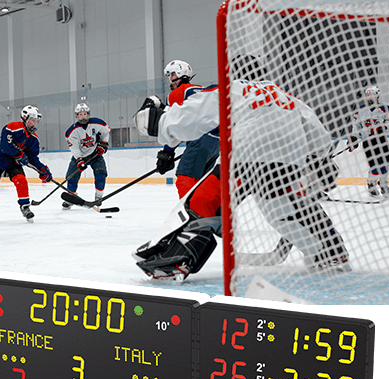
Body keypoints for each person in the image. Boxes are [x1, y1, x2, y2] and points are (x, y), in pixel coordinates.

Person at [131, 55, 347, 280]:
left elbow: (197, 113)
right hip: (288, 157)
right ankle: (329, 250)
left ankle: (179, 259)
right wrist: (323, 160)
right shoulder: (284, 95)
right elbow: (316, 129)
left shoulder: (235, 88)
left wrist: (160, 123)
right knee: (282, 207)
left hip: (248, 154)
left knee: (205, 199)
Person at [0, 105, 53, 223]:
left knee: (21, 180)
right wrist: (19, 156)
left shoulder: (34, 138)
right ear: (24, 118)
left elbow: (33, 158)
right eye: (32, 120)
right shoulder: (12, 127)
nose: (34, 123)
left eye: (36, 121)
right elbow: (5, 147)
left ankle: (25, 206)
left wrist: (42, 169)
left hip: (13, 162)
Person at [156, 60, 221, 199]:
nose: (170, 80)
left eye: (171, 76)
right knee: (203, 182)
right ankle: (207, 214)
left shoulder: (178, 93)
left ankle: (191, 214)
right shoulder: (203, 89)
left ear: (179, 74)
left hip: (200, 140)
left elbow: (175, 125)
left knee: (185, 178)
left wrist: (167, 152)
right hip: (217, 142)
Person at [348, 85, 389, 198]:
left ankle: (384, 186)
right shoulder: (361, 111)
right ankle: (371, 185)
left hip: (381, 140)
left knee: (384, 163)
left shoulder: (385, 108)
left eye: (372, 94)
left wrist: (382, 127)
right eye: (368, 94)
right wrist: (353, 138)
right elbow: (356, 126)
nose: (370, 97)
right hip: (368, 141)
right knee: (375, 164)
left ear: (377, 95)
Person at [62, 102, 111, 209]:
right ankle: (71, 198)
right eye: (80, 114)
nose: (82, 116)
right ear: (76, 116)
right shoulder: (72, 131)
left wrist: (103, 144)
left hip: (95, 154)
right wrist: (79, 159)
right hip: (79, 156)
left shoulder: (98, 123)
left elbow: (106, 132)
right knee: (71, 177)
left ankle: (98, 198)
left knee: (101, 174)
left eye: (84, 114)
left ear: (88, 114)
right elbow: (74, 147)